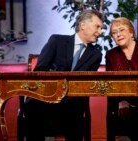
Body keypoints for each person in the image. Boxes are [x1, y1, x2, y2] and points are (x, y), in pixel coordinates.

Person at [23, 10, 103, 141]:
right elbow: (41, 70)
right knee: (32, 106)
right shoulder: (57, 41)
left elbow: (86, 84)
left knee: (74, 109)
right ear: (83, 25)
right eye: (97, 26)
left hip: (73, 101)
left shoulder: (95, 55)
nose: (100, 32)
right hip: (46, 96)